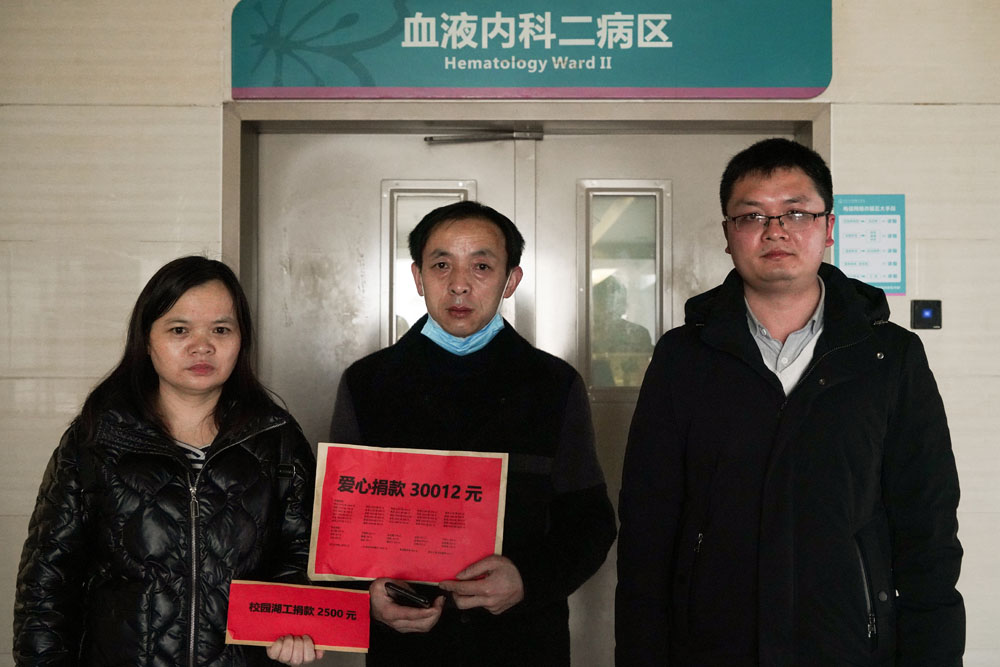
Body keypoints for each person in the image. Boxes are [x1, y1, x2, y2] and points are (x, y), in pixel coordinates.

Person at [616, 138, 964, 666]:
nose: (775, 230)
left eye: (797, 213)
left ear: (829, 228)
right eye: (752, 215)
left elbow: (928, 521)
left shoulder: (888, 357)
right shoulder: (683, 357)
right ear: (728, 235)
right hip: (714, 645)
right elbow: (648, 525)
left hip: (850, 643)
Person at [330, 200, 617, 665]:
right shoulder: (368, 384)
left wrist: (526, 579)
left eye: (481, 266)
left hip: (523, 645)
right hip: (409, 649)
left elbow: (590, 522)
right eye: (441, 265)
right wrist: (368, 597)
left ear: (511, 280)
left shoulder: (553, 385)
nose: (459, 284)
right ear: (418, 277)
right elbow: (341, 522)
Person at [14, 256, 323, 665]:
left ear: (241, 340)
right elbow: (46, 585)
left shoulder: (277, 440)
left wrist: (295, 625)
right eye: (180, 330)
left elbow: (303, 557)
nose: (202, 346)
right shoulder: (96, 439)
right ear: (146, 340)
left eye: (221, 329)